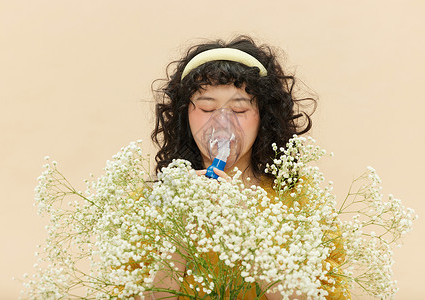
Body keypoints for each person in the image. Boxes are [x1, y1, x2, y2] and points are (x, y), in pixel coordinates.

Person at [149, 35, 350, 299]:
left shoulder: (301, 203)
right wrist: (179, 230)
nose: (222, 124)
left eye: (240, 110)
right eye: (207, 109)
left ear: (264, 117)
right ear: (185, 115)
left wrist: (247, 231)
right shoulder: (152, 204)